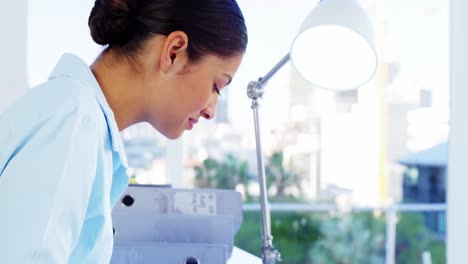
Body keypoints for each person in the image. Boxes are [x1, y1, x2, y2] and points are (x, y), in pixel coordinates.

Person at [0, 0, 247, 262]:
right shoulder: (74, 123)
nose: (211, 110)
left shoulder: (81, 121)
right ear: (174, 53)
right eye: (216, 87)